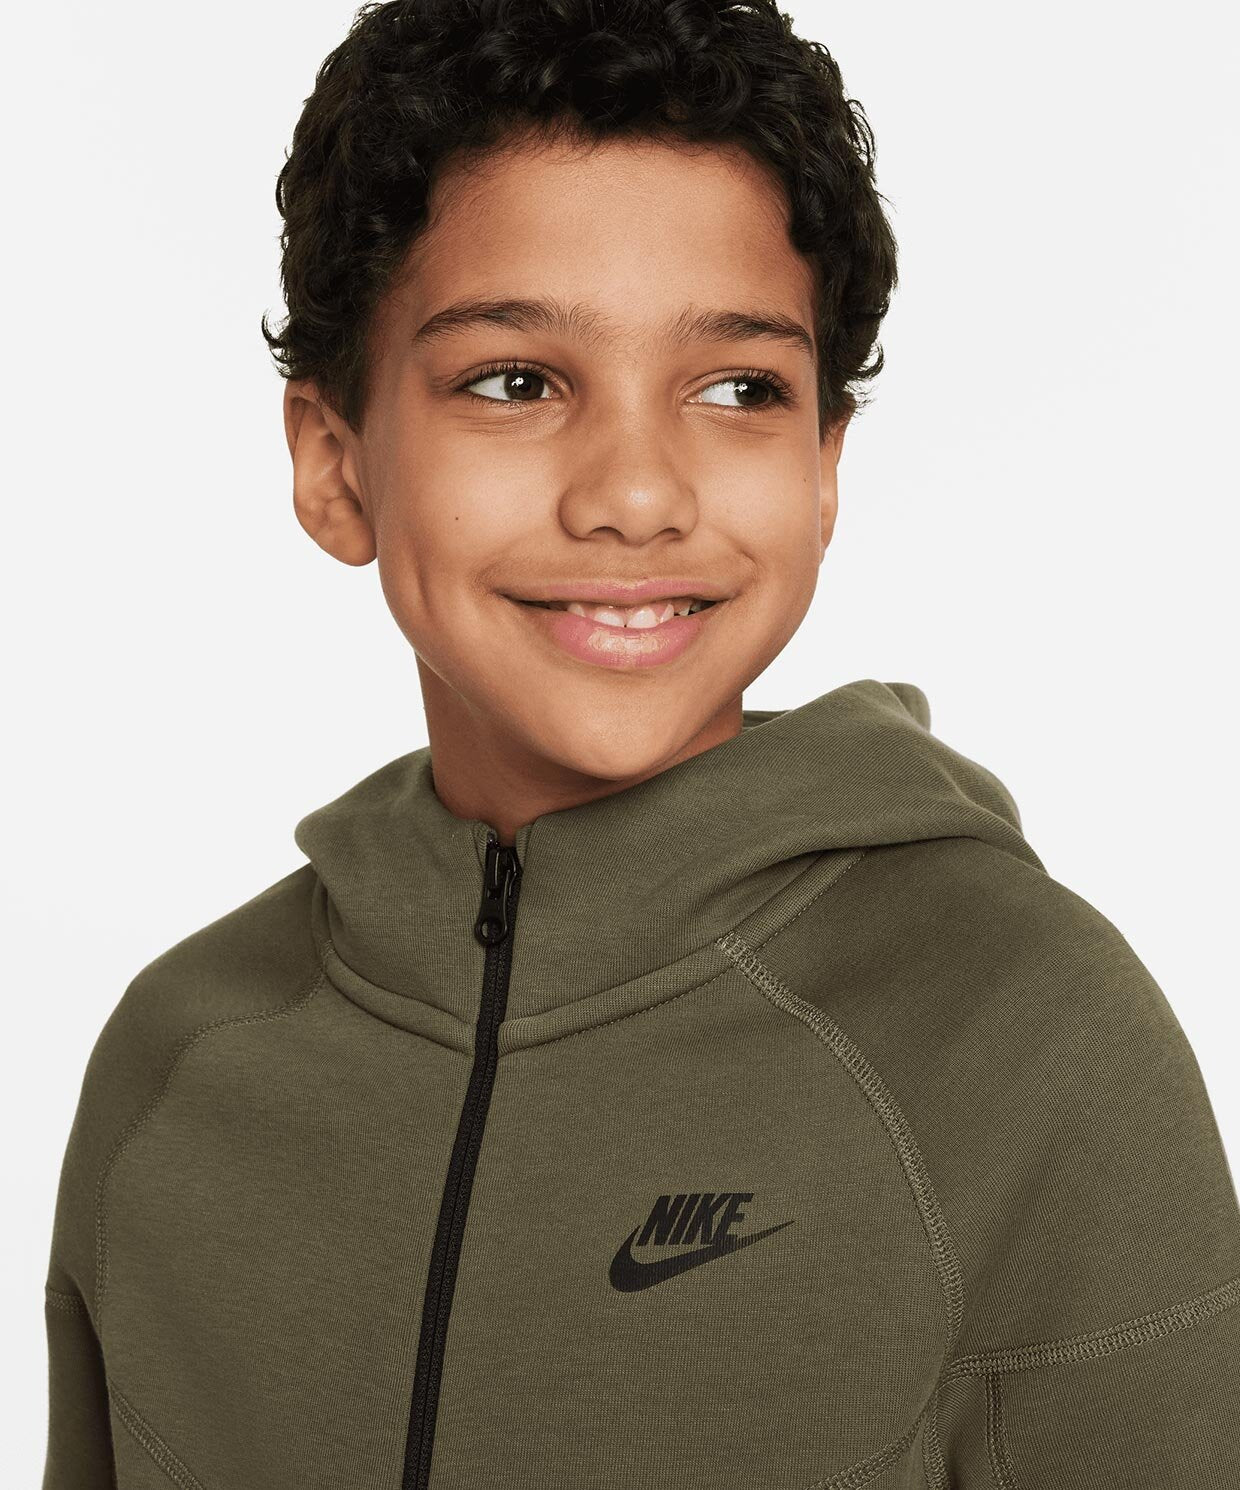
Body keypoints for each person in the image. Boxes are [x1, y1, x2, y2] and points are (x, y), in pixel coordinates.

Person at [41, 1, 1239, 1485]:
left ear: (823, 471)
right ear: (335, 463)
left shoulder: (1024, 1033)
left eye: (739, 389)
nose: (635, 495)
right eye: (516, 381)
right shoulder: (178, 1066)